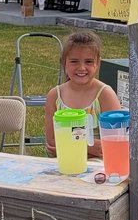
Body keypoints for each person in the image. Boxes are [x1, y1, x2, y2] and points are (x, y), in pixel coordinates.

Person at [44, 29, 120, 159]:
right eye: (74, 61)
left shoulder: (105, 95)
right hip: (63, 164)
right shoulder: (55, 96)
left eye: (89, 62)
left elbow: (114, 146)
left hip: (97, 168)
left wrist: (66, 146)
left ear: (98, 63)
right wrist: (89, 146)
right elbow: (52, 143)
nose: (81, 68)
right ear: (64, 63)